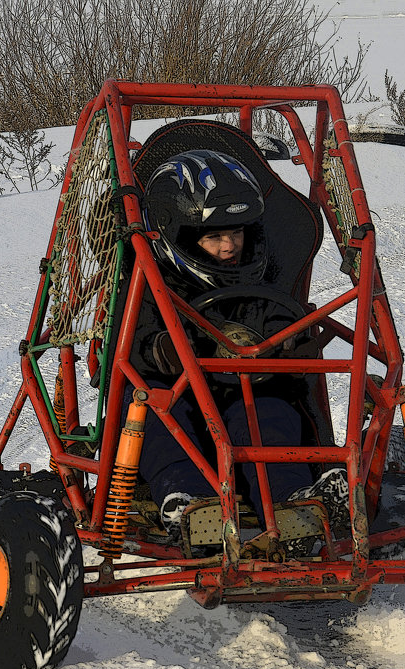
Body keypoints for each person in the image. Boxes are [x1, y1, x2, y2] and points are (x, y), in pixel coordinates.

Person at [129, 149, 347, 543]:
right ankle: (190, 503)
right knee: (156, 409)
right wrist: (164, 349)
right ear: (180, 237)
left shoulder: (260, 286)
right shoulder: (149, 286)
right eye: (215, 236)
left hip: (244, 395)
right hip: (181, 400)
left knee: (268, 412)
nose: (230, 246)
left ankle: (291, 506)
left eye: (237, 233)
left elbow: (283, 322)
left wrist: (290, 344)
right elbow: (134, 344)